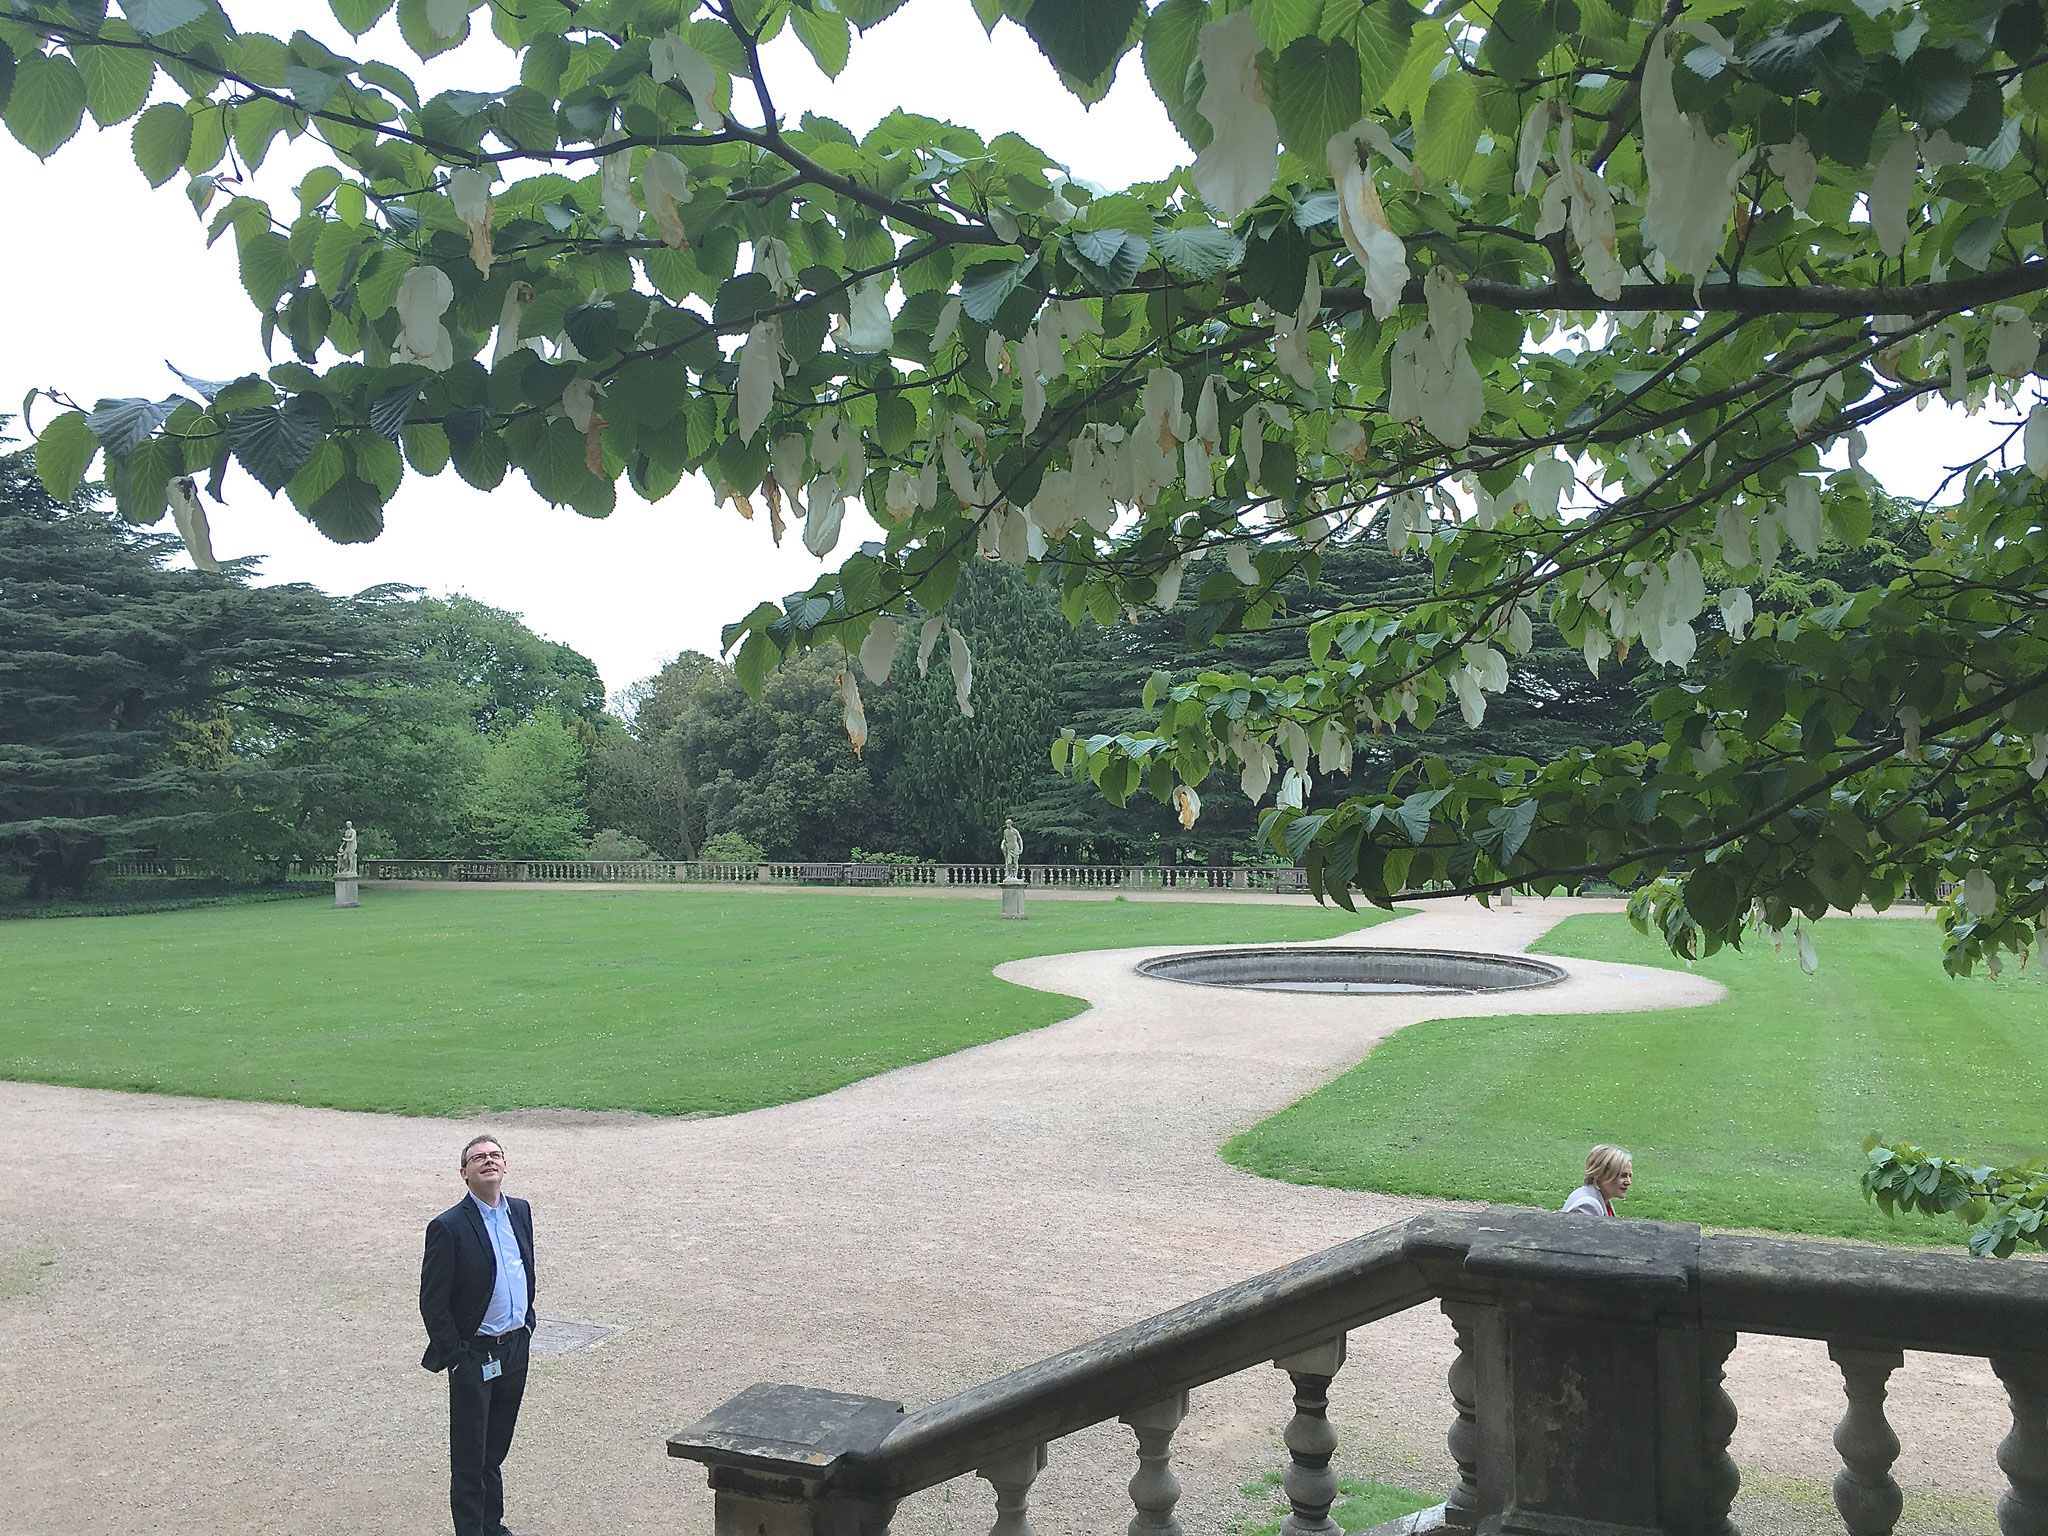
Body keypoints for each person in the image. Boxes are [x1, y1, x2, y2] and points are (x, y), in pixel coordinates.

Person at [420, 1134, 537, 1536]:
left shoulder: (519, 1211)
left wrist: (527, 1323)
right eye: (478, 1158)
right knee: (471, 1457)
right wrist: (457, 1356)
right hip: (476, 1356)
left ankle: (493, 1526)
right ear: (464, 1173)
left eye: (494, 1155)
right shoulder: (448, 1227)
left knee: (495, 1450)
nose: (488, 1161)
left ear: (504, 1166)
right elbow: (433, 1302)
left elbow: (524, 1269)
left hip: (515, 1349)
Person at [1561, 1144, 1632, 1216]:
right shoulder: (1587, 1206)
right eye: (1622, 1176)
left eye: (1630, 1176)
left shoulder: (1604, 1201)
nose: (1628, 1182)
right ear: (1600, 1174)